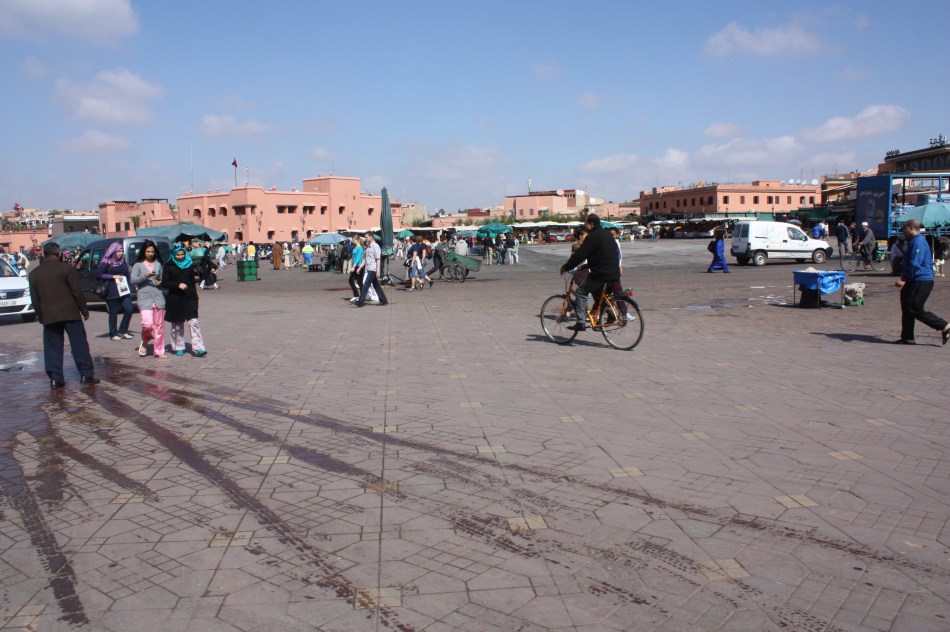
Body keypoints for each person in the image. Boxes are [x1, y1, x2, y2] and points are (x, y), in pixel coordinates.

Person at [28, 242, 99, 387]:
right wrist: (84, 310)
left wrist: (41, 317)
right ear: (59, 254)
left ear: (44, 254)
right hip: (70, 313)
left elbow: (35, 300)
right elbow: (76, 291)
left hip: (49, 316)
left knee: (53, 348)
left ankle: (55, 378)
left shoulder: (34, 274)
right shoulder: (66, 268)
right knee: (79, 344)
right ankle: (86, 374)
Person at [893, 219, 950, 346]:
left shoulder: (918, 242)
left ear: (911, 228)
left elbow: (915, 263)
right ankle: (907, 337)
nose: (903, 232)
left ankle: (944, 325)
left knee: (914, 307)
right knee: (906, 305)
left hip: (921, 280)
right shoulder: (914, 241)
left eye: (904, 229)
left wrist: (904, 279)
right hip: (914, 279)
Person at [559, 214, 620, 332]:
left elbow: (580, 254)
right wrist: (587, 265)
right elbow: (602, 254)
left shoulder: (592, 236)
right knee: (598, 295)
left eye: (586, 223)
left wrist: (566, 267)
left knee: (581, 292)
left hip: (600, 273)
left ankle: (580, 322)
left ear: (591, 224)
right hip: (613, 272)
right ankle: (611, 315)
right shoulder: (607, 234)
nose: (585, 225)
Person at [162, 243, 207, 357]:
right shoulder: (169, 265)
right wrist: (177, 285)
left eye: (182, 254)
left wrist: (195, 298)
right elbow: (165, 282)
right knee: (177, 324)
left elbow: (192, 282)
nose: (180, 257)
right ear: (173, 255)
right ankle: (179, 346)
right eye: (178, 255)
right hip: (176, 298)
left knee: (193, 322)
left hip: (189, 297)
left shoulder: (189, 264)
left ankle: (198, 348)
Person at [130, 240, 166, 358]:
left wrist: (160, 281)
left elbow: (161, 278)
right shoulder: (138, 265)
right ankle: (145, 339)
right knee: (147, 324)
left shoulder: (158, 264)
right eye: (148, 251)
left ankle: (159, 350)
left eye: (152, 251)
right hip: (144, 298)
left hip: (158, 297)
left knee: (159, 326)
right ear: (143, 252)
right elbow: (133, 280)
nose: (150, 254)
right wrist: (145, 276)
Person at [96, 242, 134, 340]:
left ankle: (123, 330)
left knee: (129, 309)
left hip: (123, 290)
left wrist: (133, 285)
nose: (121, 253)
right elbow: (99, 274)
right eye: (119, 251)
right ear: (113, 251)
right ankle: (113, 333)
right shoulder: (107, 262)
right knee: (114, 312)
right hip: (112, 291)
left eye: (122, 251)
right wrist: (113, 276)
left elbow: (127, 274)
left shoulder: (123, 261)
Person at [354, 231, 388, 307]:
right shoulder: (367, 247)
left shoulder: (375, 246)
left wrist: (378, 271)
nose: (365, 239)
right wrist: (360, 267)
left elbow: (378, 259)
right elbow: (364, 259)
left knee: (366, 285)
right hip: (368, 268)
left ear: (371, 237)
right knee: (376, 285)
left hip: (373, 269)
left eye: (366, 237)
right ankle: (384, 300)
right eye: (365, 237)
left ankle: (360, 301)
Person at [348, 237, 364, 301]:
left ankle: (362, 296)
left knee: (360, 282)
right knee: (350, 280)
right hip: (354, 265)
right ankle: (356, 295)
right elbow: (354, 257)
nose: (352, 241)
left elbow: (358, 258)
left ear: (357, 240)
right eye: (352, 240)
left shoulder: (360, 248)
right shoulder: (355, 247)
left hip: (358, 266)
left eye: (353, 240)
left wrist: (354, 266)